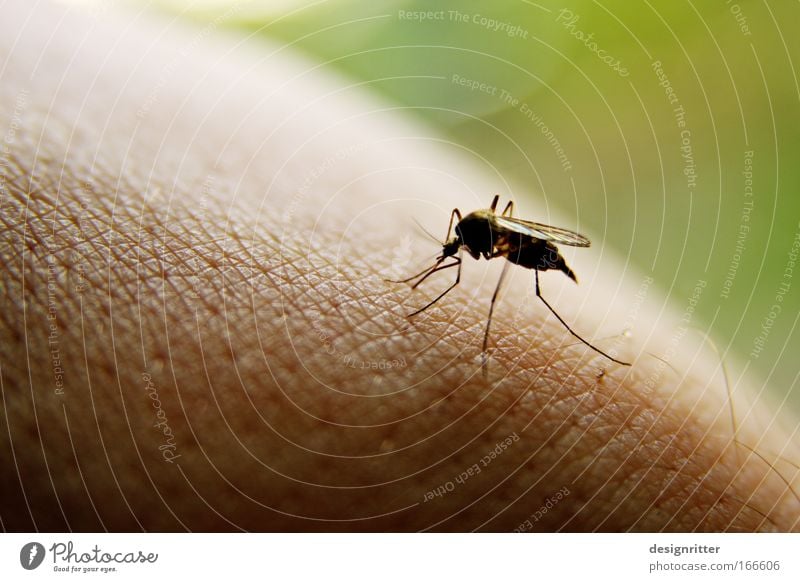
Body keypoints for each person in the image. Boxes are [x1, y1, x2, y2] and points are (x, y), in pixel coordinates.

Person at [1, 0, 797, 532]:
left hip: (537, 244)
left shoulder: (500, 240)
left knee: (536, 296)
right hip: (521, 233)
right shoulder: (472, 228)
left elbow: (492, 246)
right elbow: (467, 239)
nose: (459, 249)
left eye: (460, 244)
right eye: (461, 245)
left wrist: (491, 263)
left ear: (483, 237)